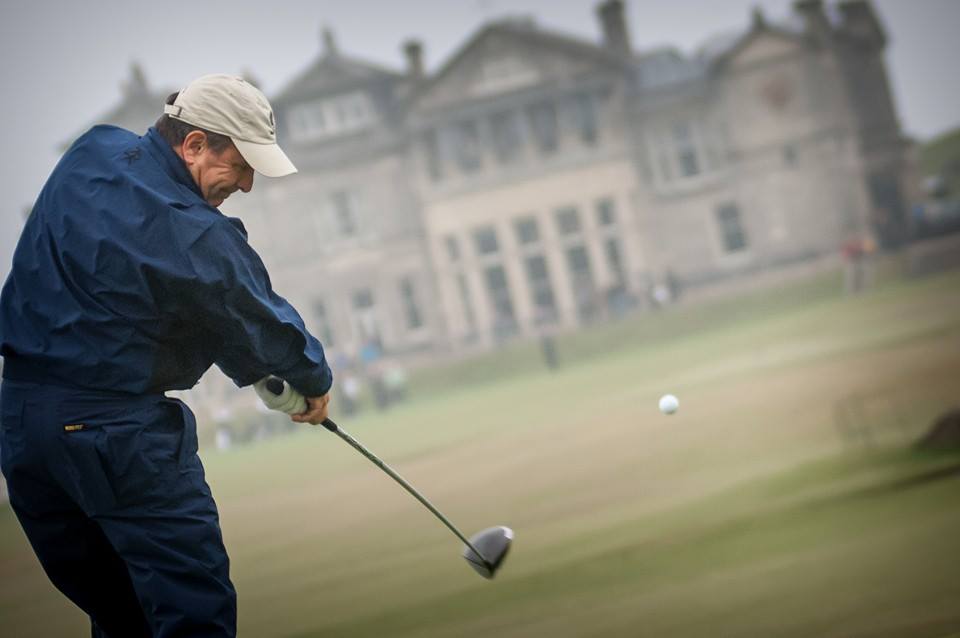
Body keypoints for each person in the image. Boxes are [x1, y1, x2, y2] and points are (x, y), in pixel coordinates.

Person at [0, 74, 332, 637]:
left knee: (123, 618)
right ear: (195, 143)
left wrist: (246, 363)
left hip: (24, 435)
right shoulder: (194, 230)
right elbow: (258, 321)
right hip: (115, 436)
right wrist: (311, 379)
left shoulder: (88, 152)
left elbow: (162, 297)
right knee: (190, 615)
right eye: (242, 164)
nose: (247, 185)